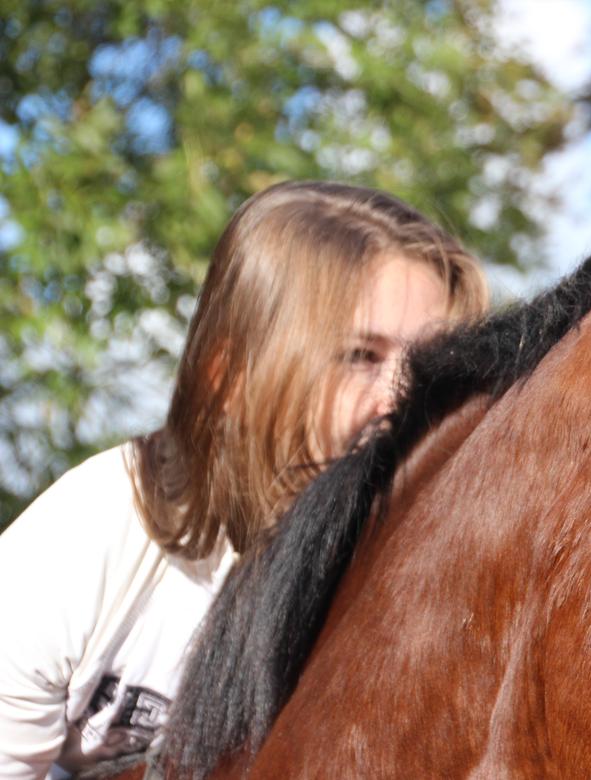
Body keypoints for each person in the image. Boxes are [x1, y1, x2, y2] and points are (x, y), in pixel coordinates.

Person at [0, 181, 489, 779]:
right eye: (361, 355)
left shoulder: (421, 577)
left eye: (427, 364)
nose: (401, 399)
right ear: (227, 376)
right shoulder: (87, 538)